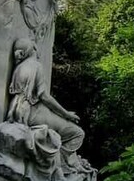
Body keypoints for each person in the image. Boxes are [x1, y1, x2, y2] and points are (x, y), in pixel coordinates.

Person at [6, 37, 87, 173]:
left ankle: (62, 162)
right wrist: (66, 114)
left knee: (68, 129)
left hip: (17, 109)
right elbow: (44, 96)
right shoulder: (35, 65)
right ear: (32, 49)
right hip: (32, 111)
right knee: (77, 133)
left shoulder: (19, 67)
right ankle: (61, 164)